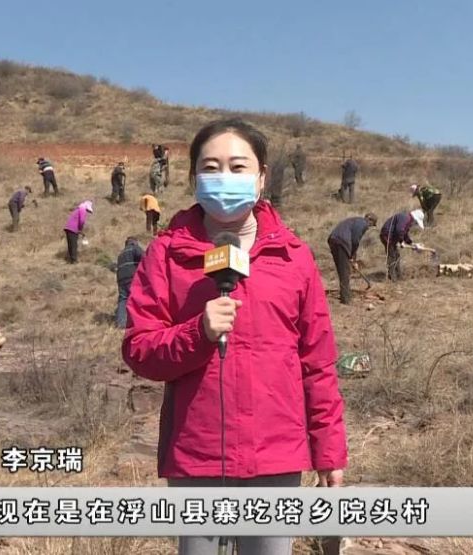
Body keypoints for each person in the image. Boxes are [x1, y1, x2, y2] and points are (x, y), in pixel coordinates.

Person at [122, 119, 347, 555]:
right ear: (193, 178)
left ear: (261, 177)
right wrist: (198, 333)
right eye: (212, 166)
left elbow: (317, 365)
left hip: (277, 454)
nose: (225, 177)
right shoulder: (166, 254)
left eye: (238, 166)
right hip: (198, 453)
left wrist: (330, 451)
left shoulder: (294, 257)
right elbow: (139, 349)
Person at [327, 213, 378, 305]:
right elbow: (355, 240)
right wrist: (352, 258)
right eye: (372, 224)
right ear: (369, 220)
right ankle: (346, 299)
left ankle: (345, 293)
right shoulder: (363, 223)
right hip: (342, 242)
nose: (369, 227)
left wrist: (352, 258)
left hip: (332, 239)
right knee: (345, 271)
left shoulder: (354, 220)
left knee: (341, 270)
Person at [379, 208, 425, 281]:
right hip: (387, 236)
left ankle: (398, 276)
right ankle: (392, 278)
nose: (415, 224)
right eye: (416, 222)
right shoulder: (405, 218)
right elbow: (399, 230)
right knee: (392, 256)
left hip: (391, 237)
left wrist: (411, 243)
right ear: (415, 219)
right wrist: (401, 242)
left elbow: (404, 234)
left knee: (397, 256)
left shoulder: (407, 221)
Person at [114, 236, 144, 329]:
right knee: (137, 297)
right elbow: (145, 256)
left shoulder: (121, 254)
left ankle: (121, 323)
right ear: (134, 242)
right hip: (132, 277)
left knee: (123, 299)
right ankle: (139, 321)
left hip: (121, 278)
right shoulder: (134, 248)